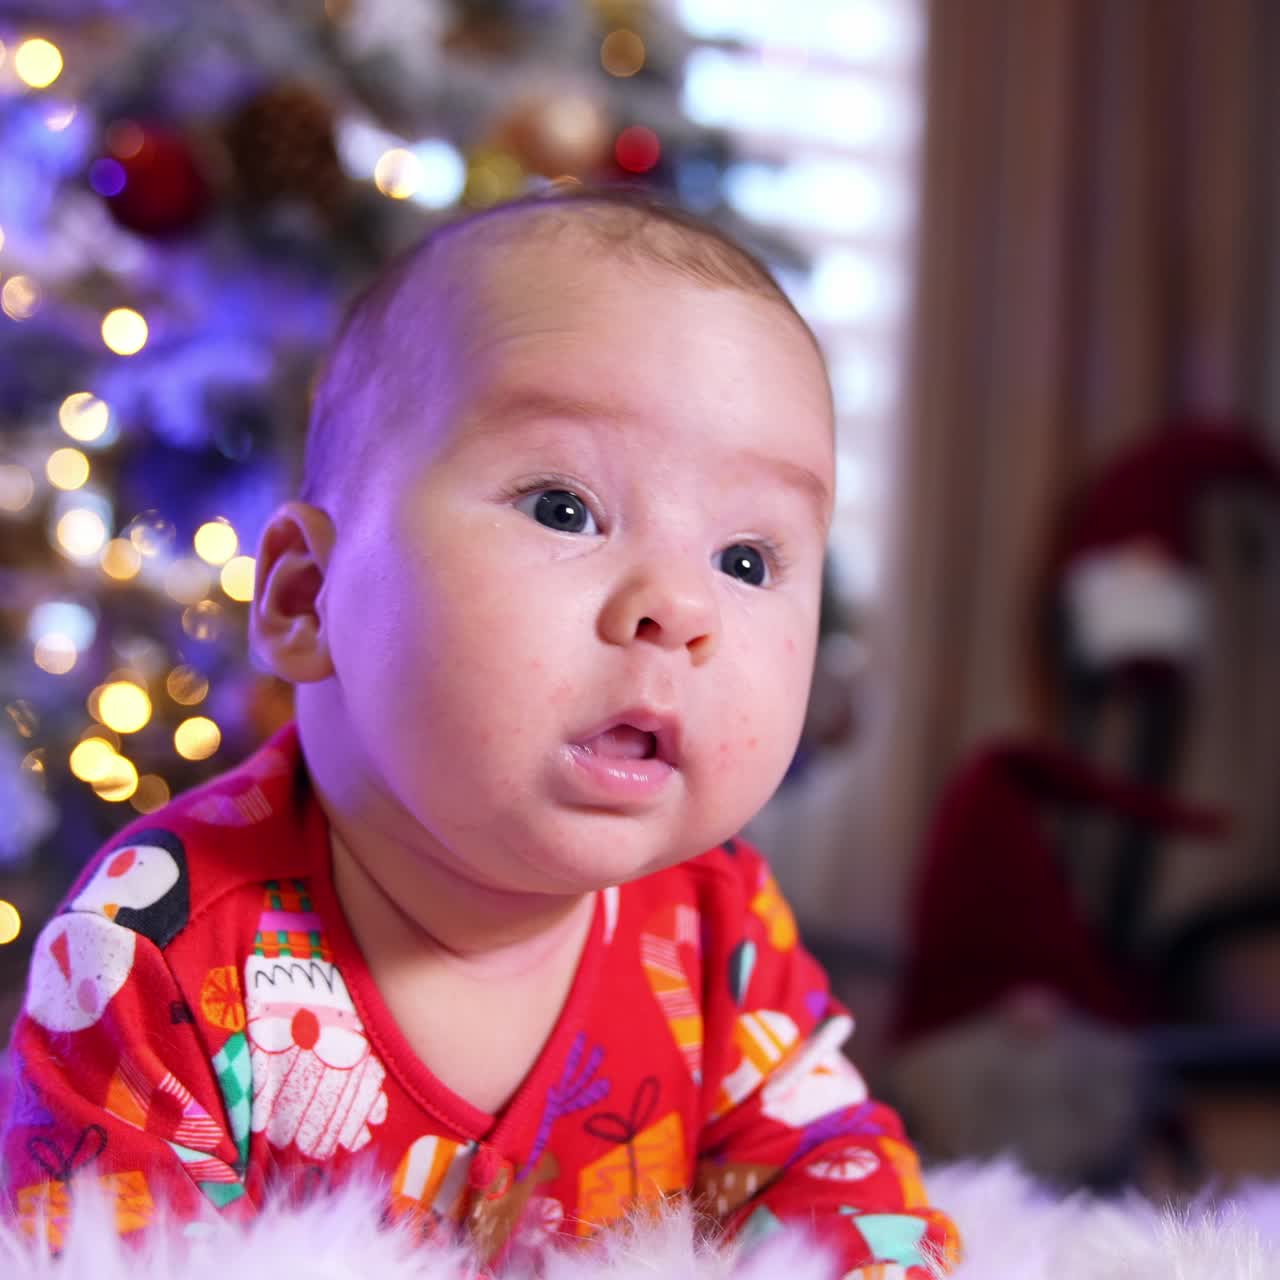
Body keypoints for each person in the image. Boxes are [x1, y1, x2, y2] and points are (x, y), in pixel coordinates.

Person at [1, 189, 958, 1275]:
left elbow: (837, 1176)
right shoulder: (157, 949)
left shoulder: (714, 931)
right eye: (563, 507)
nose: (677, 609)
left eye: (746, 560)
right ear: (307, 599)